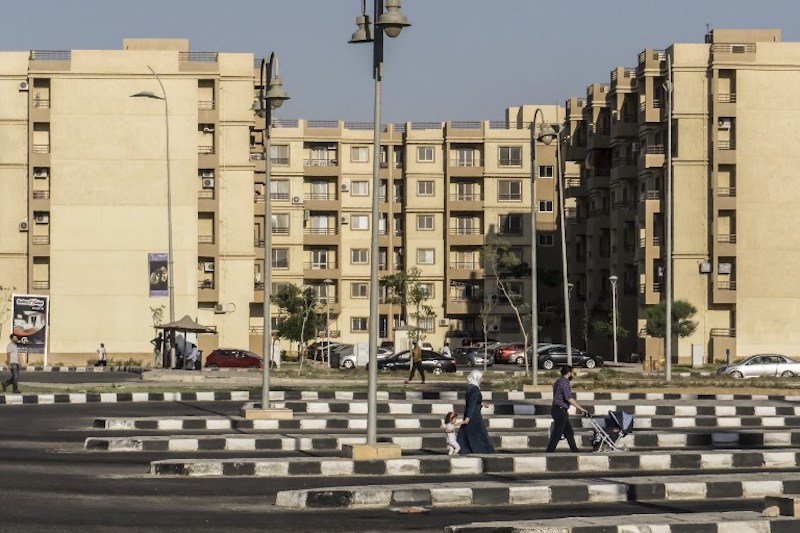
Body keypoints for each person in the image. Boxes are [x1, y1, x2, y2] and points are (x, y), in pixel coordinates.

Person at [545, 365, 589, 453]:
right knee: (557, 433)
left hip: (559, 410)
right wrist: (581, 409)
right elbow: (568, 398)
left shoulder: (559, 381)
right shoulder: (564, 383)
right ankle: (549, 451)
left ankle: (574, 450)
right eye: (572, 372)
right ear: (569, 373)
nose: (573, 374)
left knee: (569, 432)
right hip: (560, 410)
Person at [456, 370, 494, 454]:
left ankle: (461, 449)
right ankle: (482, 450)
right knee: (478, 433)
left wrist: (481, 404)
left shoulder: (470, 387)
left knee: (466, 432)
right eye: (481, 378)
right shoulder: (475, 389)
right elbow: (472, 404)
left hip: (470, 413)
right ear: (476, 378)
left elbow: (473, 402)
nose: (482, 379)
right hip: (474, 415)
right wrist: (468, 417)